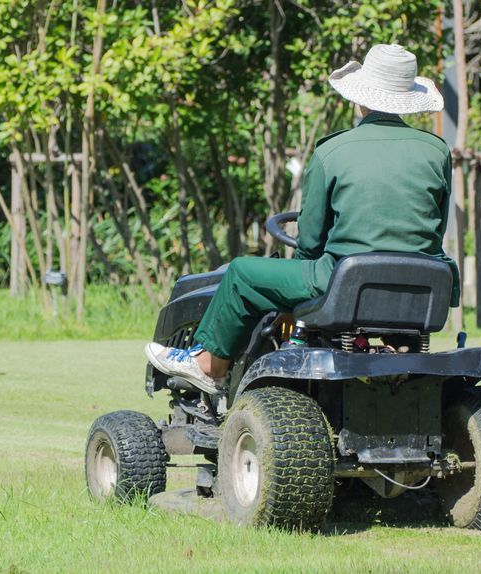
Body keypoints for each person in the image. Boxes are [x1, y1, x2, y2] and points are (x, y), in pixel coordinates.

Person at [145, 43, 459, 394]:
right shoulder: (437, 151)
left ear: (361, 97)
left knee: (240, 273)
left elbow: (310, 241)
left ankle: (207, 365)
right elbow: (437, 227)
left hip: (342, 278)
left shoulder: (332, 151)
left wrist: (299, 282)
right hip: (423, 280)